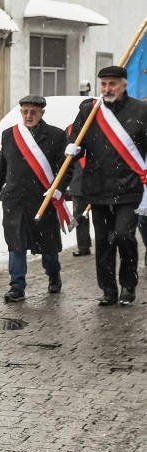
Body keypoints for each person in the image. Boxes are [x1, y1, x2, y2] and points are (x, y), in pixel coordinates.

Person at [66, 65, 147, 306]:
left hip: (129, 188)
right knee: (103, 241)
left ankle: (128, 286)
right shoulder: (90, 110)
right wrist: (72, 147)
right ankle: (108, 289)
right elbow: (76, 138)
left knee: (124, 235)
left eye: (112, 84)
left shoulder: (141, 110)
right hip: (98, 188)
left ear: (124, 85)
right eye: (103, 84)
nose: (107, 89)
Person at [0, 95, 73, 303]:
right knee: (15, 245)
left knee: (48, 247)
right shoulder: (10, 135)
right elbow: (1, 166)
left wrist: (58, 190)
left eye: (33, 112)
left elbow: (65, 169)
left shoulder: (56, 135)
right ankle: (17, 286)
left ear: (42, 113)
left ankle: (54, 275)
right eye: (25, 111)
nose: (28, 116)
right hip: (14, 201)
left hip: (42, 200)